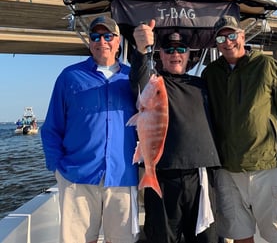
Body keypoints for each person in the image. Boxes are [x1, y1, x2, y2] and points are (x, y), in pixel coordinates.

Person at [201, 15, 277, 243]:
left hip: (267, 168)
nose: (227, 42)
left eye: (232, 35)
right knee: (240, 236)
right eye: (221, 38)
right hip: (227, 171)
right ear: (216, 43)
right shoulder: (210, 74)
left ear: (242, 35)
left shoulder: (267, 66)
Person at [41, 15, 139, 243]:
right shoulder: (69, 77)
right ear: (90, 41)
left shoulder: (132, 78)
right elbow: (52, 127)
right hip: (77, 176)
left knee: (123, 239)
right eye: (95, 36)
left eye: (108, 36)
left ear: (118, 42)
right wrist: (58, 168)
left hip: (123, 175)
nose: (101, 41)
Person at [130, 19, 221, 243]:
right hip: (160, 175)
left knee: (206, 238)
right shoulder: (156, 83)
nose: (175, 54)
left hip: (200, 176)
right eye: (168, 50)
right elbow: (138, 80)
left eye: (181, 49)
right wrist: (142, 50)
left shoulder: (202, 84)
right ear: (160, 55)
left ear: (189, 54)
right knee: (162, 237)